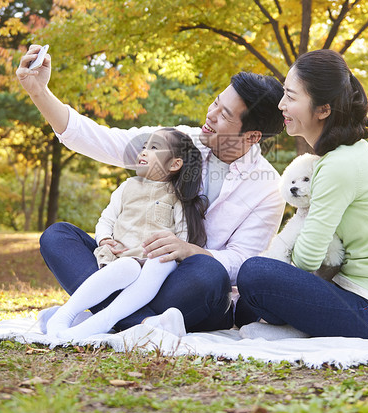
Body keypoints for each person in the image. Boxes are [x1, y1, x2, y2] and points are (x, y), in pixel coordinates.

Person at [16, 45, 285, 333]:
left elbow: (242, 262)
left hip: (184, 288)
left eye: (225, 115)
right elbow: (103, 140)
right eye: (215, 102)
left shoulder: (269, 188)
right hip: (129, 269)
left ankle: (97, 314)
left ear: (252, 136)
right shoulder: (182, 140)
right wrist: (39, 92)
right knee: (58, 236)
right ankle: (141, 323)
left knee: (209, 273)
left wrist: (188, 250)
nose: (211, 114)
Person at [236, 49, 368, 340]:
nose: (281, 105)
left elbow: (308, 259)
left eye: (291, 96)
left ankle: (295, 330)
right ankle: (292, 326)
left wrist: (277, 263)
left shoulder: (338, 165)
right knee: (259, 283)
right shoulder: (343, 157)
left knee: (255, 274)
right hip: (366, 300)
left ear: (323, 110)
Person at [44, 128, 206, 339]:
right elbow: (106, 220)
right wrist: (105, 239)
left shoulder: (176, 197)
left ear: (175, 164)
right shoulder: (127, 187)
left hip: (154, 265)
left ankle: (103, 320)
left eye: (154, 148)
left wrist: (173, 250)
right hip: (122, 258)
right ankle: (65, 314)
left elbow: (181, 239)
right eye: (144, 147)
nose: (144, 152)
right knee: (127, 267)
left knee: (163, 261)